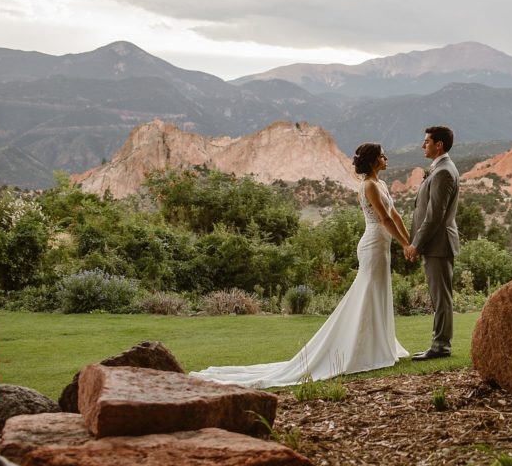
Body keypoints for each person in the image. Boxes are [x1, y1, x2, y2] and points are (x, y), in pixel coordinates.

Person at [190, 143, 410, 388]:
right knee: (368, 293)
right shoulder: (368, 185)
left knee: (379, 293)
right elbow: (384, 218)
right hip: (373, 244)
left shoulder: (382, 184)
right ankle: (363, 349)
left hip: (382, 245)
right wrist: (404, 244)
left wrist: (408, 242)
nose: (386, 158)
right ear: (373, 161)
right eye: (382, 156)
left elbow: (396, 215)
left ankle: (380, 344)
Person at [404, 126, 460, 361]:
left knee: (441, 297)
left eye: (426, 141)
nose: (422, 145)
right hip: (436, 244)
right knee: (439, 296)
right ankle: (439, 343)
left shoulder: (443, 172)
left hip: (439, 244)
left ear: (439, 145)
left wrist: (416, 244)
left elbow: (434, 215)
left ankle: (441, 346)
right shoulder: (440, 169)